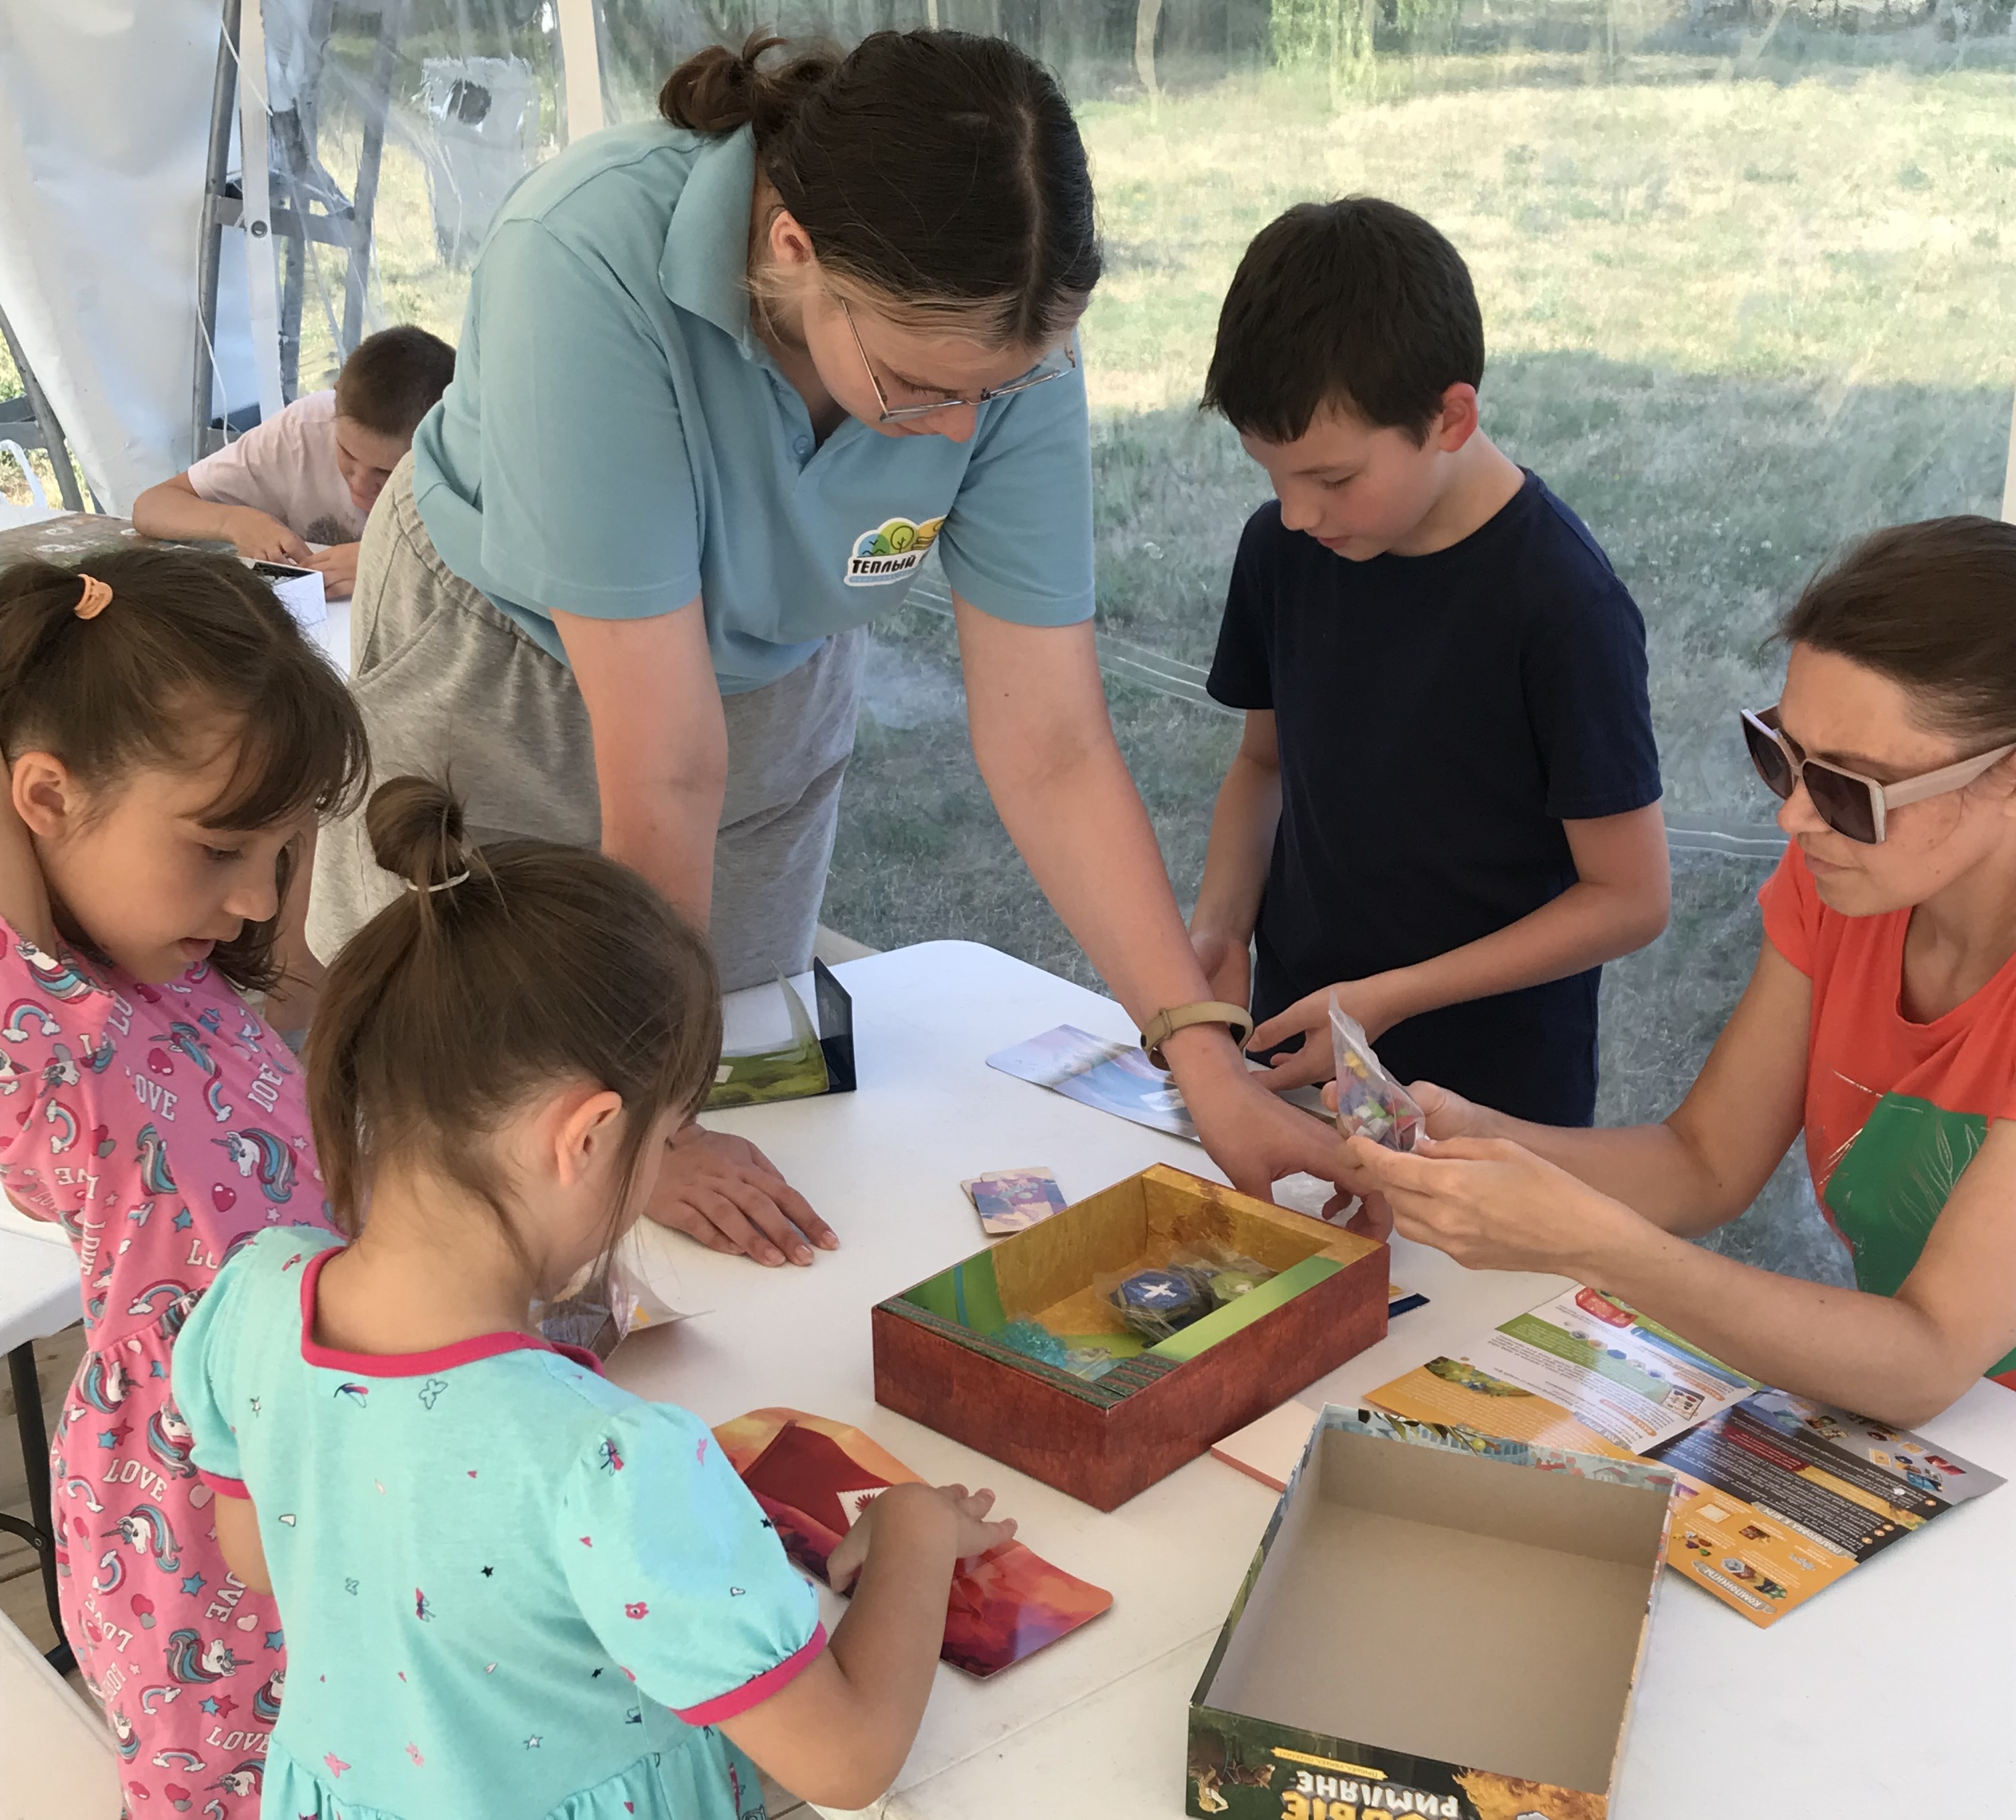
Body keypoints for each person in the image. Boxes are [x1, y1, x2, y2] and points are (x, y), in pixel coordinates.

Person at [305, 29, 1347, 1269]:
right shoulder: (579, 253)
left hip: (768, 667)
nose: (956, 431)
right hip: (504, 667)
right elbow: (665, 761)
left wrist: (1197, 1055)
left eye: (998, 392)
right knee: (476, 1114)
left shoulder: (993, 345)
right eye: (917, 384)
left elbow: (1053, 743)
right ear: (790, 248)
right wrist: (654, 1116)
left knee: (731, 1088)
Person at [172, 776, 1017, 1819]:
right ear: (586, 1136)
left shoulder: (251, 1297)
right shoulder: (608, 1463)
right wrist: (913, 1542)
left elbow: (267, 1557)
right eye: (665, 1141)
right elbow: (846, 1764)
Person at [1345, 517, 2016, 1427]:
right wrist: (1479, 1138)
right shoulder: (1849, 887)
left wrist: (1598, 1245)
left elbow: (1926, 1357)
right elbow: (1704, 1162)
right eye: (1781, 754)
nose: (1794, 819)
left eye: (1852, 790)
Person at [0, 549, 367, 1813]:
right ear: (40, 795)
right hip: (197, 1550)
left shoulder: (180, 978)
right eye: (220, 849)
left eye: (283, 847)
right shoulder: (51, 1036)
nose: (259, 897)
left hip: (309, 1474)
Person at [1187, 198, 1671, 1126]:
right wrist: (1221, 924)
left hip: (1492, 1088)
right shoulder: (1285, 551)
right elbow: (1263, 763)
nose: (1297, 512)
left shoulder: (1563, 604)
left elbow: (1631, 897)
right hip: (1302, 1045)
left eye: (1330, 479)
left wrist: (1396, 992)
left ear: (1450, 417)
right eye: (1270, 475)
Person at [132, 325, 455, 599]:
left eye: (387, 472)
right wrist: (234, 522)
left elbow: (500, 575)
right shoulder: (305, 428)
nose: (359, 485)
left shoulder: (468, 460)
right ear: (335, 402)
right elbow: (151, 506)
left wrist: (391, 563)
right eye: (347, 454)